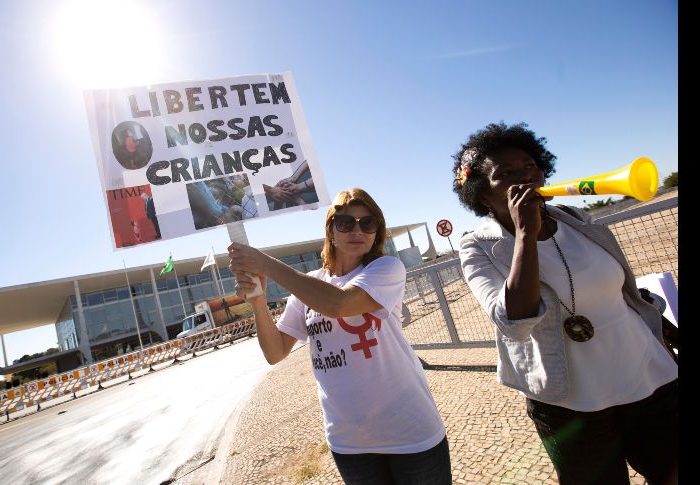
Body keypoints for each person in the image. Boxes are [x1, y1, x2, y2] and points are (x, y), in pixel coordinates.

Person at [452, 122, 677, 484]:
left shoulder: (578, 220)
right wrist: (525, 231)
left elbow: (618, 289)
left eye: (529, 166)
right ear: (482, 195)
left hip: (648, 374)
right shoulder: (478, 247)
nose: (524, 177)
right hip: (571, 403)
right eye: (506, 173)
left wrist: (658, 323)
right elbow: (512, 318)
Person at [228, 188, 451, 485]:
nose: (357, 230)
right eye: (345, 223)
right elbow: (275, 352)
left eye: (367, 223)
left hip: (409, 430)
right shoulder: (310, 286)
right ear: (331, 230)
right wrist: (258, 302)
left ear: (377, 231)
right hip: (350, 441)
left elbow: (339, 304)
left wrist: (266, 264)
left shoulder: (386, 268)